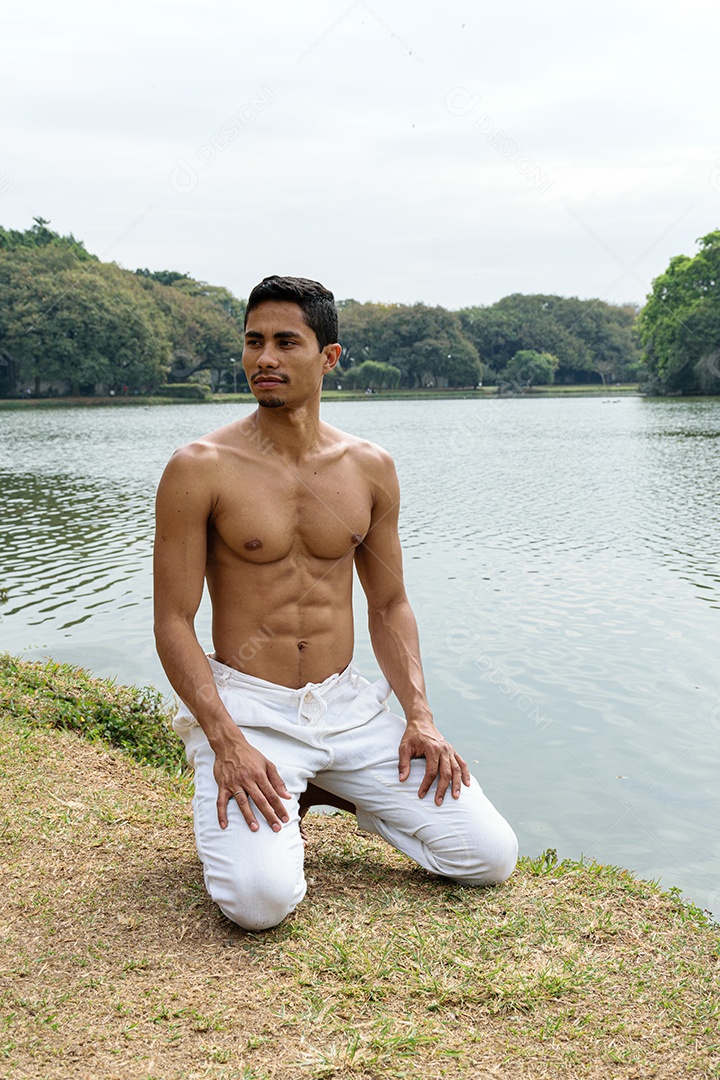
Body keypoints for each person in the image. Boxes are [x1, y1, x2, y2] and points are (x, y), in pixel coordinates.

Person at [153, 275, 517, 931]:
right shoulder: (199, 467)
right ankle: (267, 786)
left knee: (489, 857)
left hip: (346, 708)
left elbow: (390, 604)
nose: (265, 358)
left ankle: (330, 784)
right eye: (253, 342)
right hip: (250, 709)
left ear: (329, 357)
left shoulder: (368, 467)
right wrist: (225, 739)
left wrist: (420, 717)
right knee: (259, 905)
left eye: (286, 342)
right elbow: (172, 621)